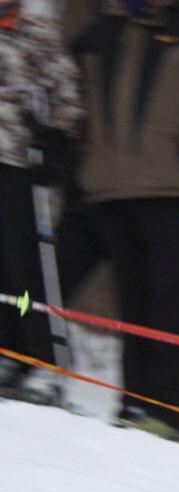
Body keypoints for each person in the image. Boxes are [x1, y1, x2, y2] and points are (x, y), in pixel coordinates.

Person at [70, 0, 179, 442]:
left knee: (173, 306)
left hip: (169, 192)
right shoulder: (99, 29)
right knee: (132, 307)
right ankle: (133, 402)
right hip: (109, 191)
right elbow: (73, 98)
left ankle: (169, 412)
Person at [0, 0, 82, 402]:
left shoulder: (37, 34)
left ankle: (41, 360)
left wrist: (54, 141)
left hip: (19, 165)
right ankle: (6, 352)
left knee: (25, 270)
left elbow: (66, 96)